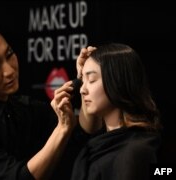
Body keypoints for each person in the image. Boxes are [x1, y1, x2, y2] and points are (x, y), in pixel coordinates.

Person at [0, 21, 86, 180]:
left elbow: (83, 132)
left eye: (9, 54)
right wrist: (62, 128)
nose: (9, 70)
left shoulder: (25, 107)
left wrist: (84, 81)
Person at [52, 43, 161, 180]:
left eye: (91, 80)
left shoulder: (133, 153)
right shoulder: (98, 145)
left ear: (117, 81)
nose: (82, 90)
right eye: (82, 81)